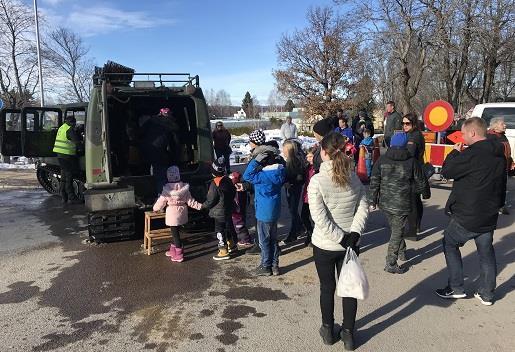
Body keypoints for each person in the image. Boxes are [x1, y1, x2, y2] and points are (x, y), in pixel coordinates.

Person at [435, 117, 506, 306]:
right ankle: (487, 294)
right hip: (489, 213)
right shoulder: (499, 153)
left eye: (464, 133)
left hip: (468, 214)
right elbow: (502, 184)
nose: (463, 137)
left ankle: (456, 287)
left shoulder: (471, 154)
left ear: (473, 133)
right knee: (486, 252)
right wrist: (498, 206)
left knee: (449, 243)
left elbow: (447, 171)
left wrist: (454, 153)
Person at [308, 132, 369, 350]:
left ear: (324, 153)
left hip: (326, 244)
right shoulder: (352, 176)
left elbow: (319, 218)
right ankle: (348, 333)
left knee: (327, 287)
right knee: (349, 288)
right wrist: (354, 233)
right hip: (350, 244)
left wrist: (342, 237)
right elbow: (364, 204)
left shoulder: (317, 180)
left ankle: (327, 330)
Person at [369, 132, 430, 274]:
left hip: (385, 202)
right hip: (402, 202)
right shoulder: (411, 161)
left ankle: (402, 251)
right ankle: (391, 262)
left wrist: (373, 200)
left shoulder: (382, 160)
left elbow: (374, 181)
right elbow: (421, 180)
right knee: (397, 230)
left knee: (396, 228)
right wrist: (425, 194)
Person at [243, 129, 286, 276]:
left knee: (264, 240)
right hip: (274, 209)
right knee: (273, 238)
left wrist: (255, 161)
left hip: (263, 211)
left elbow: (247, 175)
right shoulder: (279, 172)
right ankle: (274, 265)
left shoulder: (262, 176)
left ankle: (265, 265)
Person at [152, 166, 202, 262]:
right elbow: (191, 201)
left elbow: (161, 201)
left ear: (168, 177)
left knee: (175, 234)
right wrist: (200, 206)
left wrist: (155, 208)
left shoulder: (166, 190)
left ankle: (178, 254)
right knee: (176, 232)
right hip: (182, 213)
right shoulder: (184, 188)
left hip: (172, 215)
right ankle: (173, 250)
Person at [201, 157, 238, 261]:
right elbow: (233, 192)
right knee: (228, 227)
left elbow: (211, 200)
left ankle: (223, 250)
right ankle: (232, 245)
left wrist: (203, 206)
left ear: (213, 171)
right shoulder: (228, 180)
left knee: (219, 230)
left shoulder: (215, 183)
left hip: (218, 212)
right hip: (228, 209)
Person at [140, 107, 181, 195]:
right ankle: (161, 196)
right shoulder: (171, 124)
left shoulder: (150, 121)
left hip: (145, 151)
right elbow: (175, 143)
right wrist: (176, 159)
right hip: (160, 153)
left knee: (147, 172)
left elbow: (140, 133)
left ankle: (147, 193)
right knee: (161, 176)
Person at [403, 113, 427, 238]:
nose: (404, 126)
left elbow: (409, 155)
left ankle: (412, 231)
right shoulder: (416, 134)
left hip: (413, 172)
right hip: (417, 170)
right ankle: (417, 226)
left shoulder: (414, 136)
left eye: (407, 123)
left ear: (413, 123)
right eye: (403, 123)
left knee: (411, 202)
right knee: (416, 201)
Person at [53, 115, 82, 204]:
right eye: (74, 123)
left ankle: (63, 196)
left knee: (64, 177)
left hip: (60, 155)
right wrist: (81, 148)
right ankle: (71, 197)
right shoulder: (69, 129)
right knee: (69, 176)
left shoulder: (62, 127)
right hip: (67, 156)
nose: (75, 125)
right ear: (72, 122)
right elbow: (76, 141)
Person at [486, 116, 513, 215]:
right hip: (494, 168)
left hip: (503, 166)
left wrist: (510, 161)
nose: (505, 125)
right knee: (493, 187)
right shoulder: (490, 137)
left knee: (502, 187)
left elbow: (507, 151)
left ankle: (501, 206)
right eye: (502, 124)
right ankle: (490, 207)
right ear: (495, 126)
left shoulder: (502, 136)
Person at [281, 140, 306, 244]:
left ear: (289, 150)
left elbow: (300, 177)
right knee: (292, 209)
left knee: (293, 210)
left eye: (284, 149)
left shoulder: (295, 160)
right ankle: (300, 227)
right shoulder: (289, 160)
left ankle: (294, 233)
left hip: (294, 188)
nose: (282, 151)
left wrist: (290, 182)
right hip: (291, 187)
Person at [230, 171, 253, 247]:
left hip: (237, 212)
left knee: (239, 226)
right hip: (240, 211)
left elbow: (237, 203)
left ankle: (245, 240)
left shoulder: (237, 192)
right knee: (240, 224)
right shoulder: (242, 190)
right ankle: (243, 238)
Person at [301, 146, 317, 246]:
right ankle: (310, 233)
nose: (308, 159)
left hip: (314, 197)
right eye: (307, 157)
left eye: (310, 156)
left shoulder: (318, 168)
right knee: (304, 216)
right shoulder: (308, 167)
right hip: (306, 197)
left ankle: (314, 237)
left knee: (315, 218)